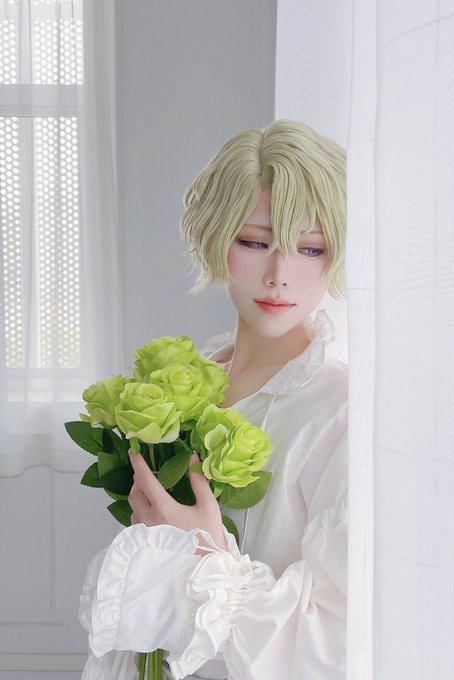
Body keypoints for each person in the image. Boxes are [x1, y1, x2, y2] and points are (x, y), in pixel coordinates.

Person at [79, 119, 348, 680]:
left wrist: (206, 554)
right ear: (216, 236)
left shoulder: (337, 410)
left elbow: (337, 638)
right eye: (255, 242)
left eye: (310, 248)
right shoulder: (195, 376)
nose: (279, 275)